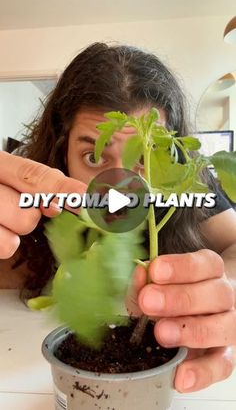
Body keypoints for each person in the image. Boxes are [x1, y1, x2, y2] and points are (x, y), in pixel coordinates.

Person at [0, 42, 236, 394]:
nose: (119, 191)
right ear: (60, 152)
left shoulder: (190, 184)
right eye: (94, 156)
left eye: (144, 157)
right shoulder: (29, 196)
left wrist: (224, 288)